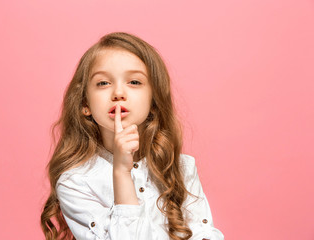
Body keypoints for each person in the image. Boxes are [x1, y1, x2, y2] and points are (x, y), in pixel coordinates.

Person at [40, 32, 224, 240]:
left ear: (154, 102)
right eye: (103, 83)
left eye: (134, 82)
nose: (118, 92)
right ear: (85, 104)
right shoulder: (75, 183)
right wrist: (121, 172)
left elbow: (204, 234)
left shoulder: (182, 168)